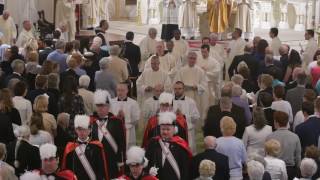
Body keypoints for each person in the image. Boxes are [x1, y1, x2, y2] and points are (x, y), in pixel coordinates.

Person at [90, 89, 126, 179]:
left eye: (103, 105)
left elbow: (121, 143)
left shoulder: (117, 122)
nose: (100, 108)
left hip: (112, 161)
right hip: (95, 162)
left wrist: (120, 161)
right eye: (98, 106)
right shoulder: (90, 121)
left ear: (108, 106)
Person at [145, 111, 192, 180]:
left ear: (174, 130)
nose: (165, 132)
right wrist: (149, 170)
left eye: (168, 129)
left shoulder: (180, 145)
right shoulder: (153, 143)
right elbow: (146, 162)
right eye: (163, 129)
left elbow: (185, 169)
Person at [61, 115, 108, 179]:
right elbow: (67, 170)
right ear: (76, 130)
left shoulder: (96, 146)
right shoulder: (70, 148)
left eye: (84, 129)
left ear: (89, 130)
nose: (82, 132)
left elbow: (100, 169)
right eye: (79, 129)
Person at [267, 111, 301, 180]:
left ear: (276, 122)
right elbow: (298, 157)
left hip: (274, 169)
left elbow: (267, 155)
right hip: (290, 170)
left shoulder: (270, 137)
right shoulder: (295, 137)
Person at [174, 51, 208, 120]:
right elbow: (176, 83)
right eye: (190, 58)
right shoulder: (181, 70)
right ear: (187, 59)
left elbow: (204, 85)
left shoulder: (200, 71)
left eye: (194, 58)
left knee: (194, 114)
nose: (192, 60)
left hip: (196, 97)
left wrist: (197, 87)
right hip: (183, 96)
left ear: (196, 59)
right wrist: (182, 88)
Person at [110, 83, 140, 148]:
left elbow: (136, 119)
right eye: (118, 90)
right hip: (115, 130)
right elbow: (108, 118)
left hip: (128, 130)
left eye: (122, 90)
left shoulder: (133, 103)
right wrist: (116, 117)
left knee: (129, 149)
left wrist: (125, 117)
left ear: (127, 91)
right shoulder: (111, 102)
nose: (120, 92)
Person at [172, 81, 199, 153]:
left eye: (179, 88)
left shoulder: (191, 102)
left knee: (188, 151)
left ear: (183, 89)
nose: (177, 91)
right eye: (175, 89)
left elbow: (196, 117)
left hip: (187, 131)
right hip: (173, 132)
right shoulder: (170, 101)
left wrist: (183, 116)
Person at [120, 31, 141, 97]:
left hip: (123, 69)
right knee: (134, 82)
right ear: (133, 38)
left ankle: (125, 94)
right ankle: (134, 94)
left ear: (126, 37)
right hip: (133, 69)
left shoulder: (121, 47)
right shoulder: (136, 47)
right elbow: (138, 59)